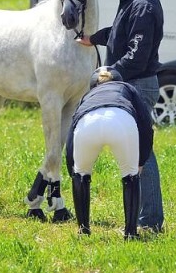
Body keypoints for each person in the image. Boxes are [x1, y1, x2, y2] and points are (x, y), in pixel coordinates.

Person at [76, 0, 164, 233]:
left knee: (141, 153)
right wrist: (94, 38)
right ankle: (145, 218)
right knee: (137, 151)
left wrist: (111, 72)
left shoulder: (142, 5)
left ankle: (150, 221)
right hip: (132, 84)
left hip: (137, 85)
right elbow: (120, 33)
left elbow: (137, 53)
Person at [65, 66, 153, 240]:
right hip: (121, 119)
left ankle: (84, 230)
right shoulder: (128, 88)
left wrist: (72, 168)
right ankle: (130, 233)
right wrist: (141, 160)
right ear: (118, 80)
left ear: (93, 85)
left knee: (81, 174)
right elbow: (145, 124)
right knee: (130, 175)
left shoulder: (87, 96)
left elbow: (72, 128)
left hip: (87, 122)